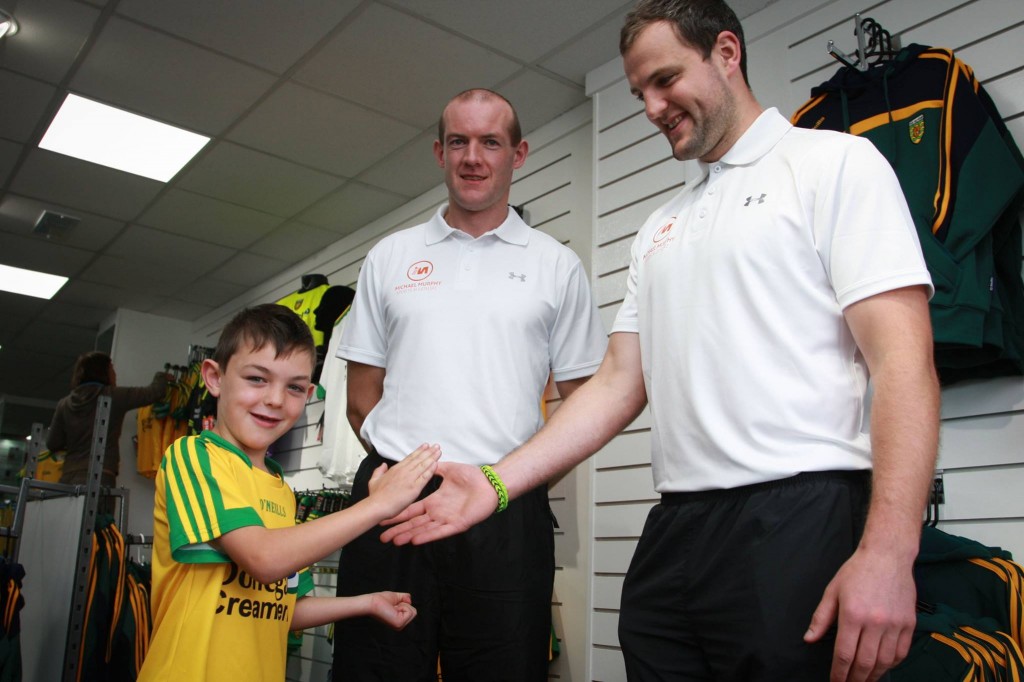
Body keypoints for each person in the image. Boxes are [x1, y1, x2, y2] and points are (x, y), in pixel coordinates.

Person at [382, 2, 941, 681]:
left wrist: (889, 550)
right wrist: (498, 484)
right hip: (677, 526)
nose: (651, 106)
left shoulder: (834, 165)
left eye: (665, 80)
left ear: (727, 53)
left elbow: (903, 360)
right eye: (639, 91)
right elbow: (618, 381)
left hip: (800, 514)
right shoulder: (660, 227)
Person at [333, 88, 607, 681]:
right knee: (374, 669)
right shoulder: (390, 256)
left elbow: (584, 406)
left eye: (491, 142)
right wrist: (401, 476)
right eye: (459, 141)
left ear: (519, 153)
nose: (473, 157)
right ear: (439, 152)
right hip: (394, 500)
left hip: (503, 503)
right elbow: (361, 398)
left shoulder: (556, 266)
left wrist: (513, 482)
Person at [138, 304, 440, 681]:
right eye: (257, 379)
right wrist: (377, 505)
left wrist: (367, 603)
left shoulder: (282, 491)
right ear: (214, 378)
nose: (276, 400)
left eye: (294, 387)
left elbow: (284, 609)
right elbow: (263, 561)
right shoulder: (194, 457)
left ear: (309, 393)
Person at [47, 351, 168, 487]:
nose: (115, 375)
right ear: (103, 372)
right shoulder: (112, 396)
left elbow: (52, 443)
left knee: (68, 509)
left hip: (69, 475)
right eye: (112, 370)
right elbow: (153, 393)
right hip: (100, 475)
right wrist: (162, 376)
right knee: (98, 508)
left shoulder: (64, 404)